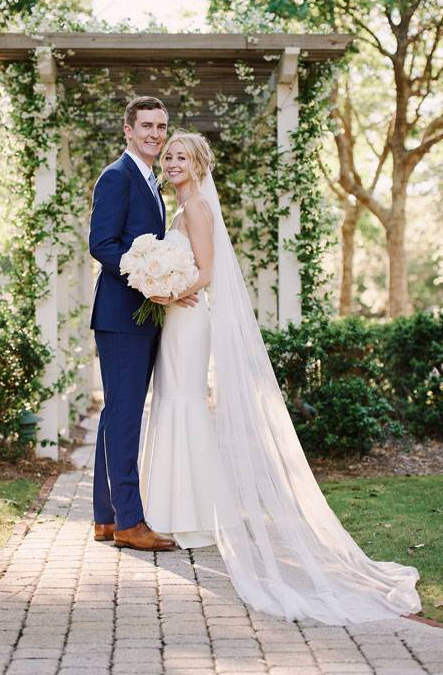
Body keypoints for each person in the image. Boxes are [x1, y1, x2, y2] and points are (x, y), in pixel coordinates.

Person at [140, 129, 422, 625]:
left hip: (187, 315)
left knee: (182, 403)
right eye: (168, 157)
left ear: (199, 164)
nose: (172, 163)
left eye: (181, 156)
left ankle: (193, 518)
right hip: (177, 317)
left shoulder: (198, 210)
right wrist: (158, 283)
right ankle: (173, 511)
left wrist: (164, 291)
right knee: (171, 401)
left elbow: (206, 272)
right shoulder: (179, 211)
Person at [89, 96, 196, 552]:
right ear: (127, 130)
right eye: (146, 125)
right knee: (126, 415)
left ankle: (105, 517)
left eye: (161, 126)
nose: (155, 133)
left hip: (138, 316)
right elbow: (102, 243)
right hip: (120, 316)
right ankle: (131, 523)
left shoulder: (150, 181)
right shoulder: (117, 177)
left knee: (117, 412)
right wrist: (146, 278)